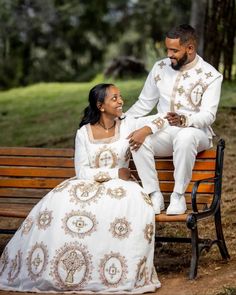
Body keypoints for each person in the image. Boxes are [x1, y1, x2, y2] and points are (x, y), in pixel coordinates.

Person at [0, 83, 162, 293]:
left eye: (120, 97)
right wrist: (114, 173)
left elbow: (161, 119)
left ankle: (109, 272)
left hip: (123, 188)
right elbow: (82, 171)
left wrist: (147, 130)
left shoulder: (129, 124)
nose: (121, 101)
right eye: (114, 98)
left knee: (119, 210)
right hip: (87, 185)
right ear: (100, 105)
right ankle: (64, 274)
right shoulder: (83, 133)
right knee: (63, 208)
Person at [126, 24, 223, 215]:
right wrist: (120, 120)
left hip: (197, 133)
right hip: (163, 130)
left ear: (190, 48)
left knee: (185, 137)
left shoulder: (211, 76)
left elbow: (208, 116)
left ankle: (178, 196)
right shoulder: (160, 67)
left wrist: (184, 119)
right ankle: (154, 194)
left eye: (174, 50)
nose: (169, 55)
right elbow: (144, 103)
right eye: (167, 49)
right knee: (137, 138)